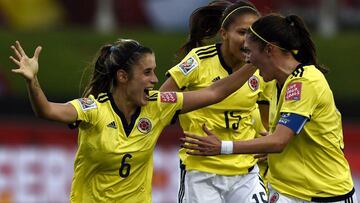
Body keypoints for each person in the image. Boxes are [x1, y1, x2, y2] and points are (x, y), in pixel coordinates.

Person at [9, 39, 256, 203]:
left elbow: (214, 93)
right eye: (147, 73)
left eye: (154, 71)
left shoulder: (158, 105)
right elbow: (48, 111)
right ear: (123, 76)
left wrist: (252, 64)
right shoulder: (94, 109)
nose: (154, 80)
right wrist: (33, 81)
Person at [181, 14, 358, 203]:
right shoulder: (276, 83)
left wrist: (222, 147)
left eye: (249, 51)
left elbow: (279, 141)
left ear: (269, 50)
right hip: (284, 192)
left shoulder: (306, 82)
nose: (247, 59)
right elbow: (284, 138)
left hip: (324, 195)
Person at [160, 1, 272, 202]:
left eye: (254, 36)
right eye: (242, 32)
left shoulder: (261, 69)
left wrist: (266, 142)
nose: (247, 42)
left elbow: (267, 121)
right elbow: (161, 102)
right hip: (203, 172)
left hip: (245, 172)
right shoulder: (199, 61)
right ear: (224, 33)